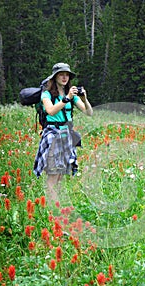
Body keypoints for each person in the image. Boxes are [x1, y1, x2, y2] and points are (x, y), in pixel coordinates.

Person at [33, 62, 93, 205]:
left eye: (67, 75)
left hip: (66, 134)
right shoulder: (46, 94)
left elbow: (89, 112)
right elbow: (51, 111)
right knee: (53, 173)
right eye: (61, 75)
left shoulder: (73, 95)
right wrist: (67, 97)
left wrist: (84, 98)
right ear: (55, 77)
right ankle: (53, 207)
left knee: (60, 174)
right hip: (52, 134)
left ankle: (55, 203)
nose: (64, 77)